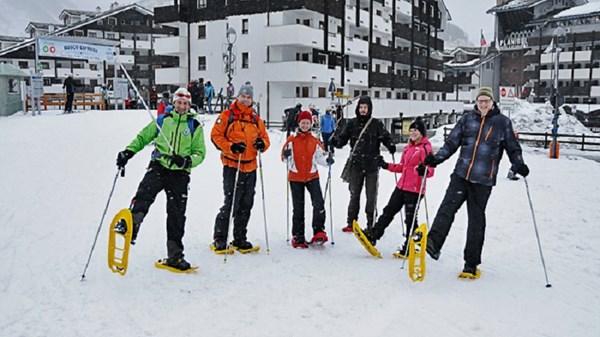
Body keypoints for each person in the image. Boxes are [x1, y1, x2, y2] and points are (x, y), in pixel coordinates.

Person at [423, 87, 530, 278]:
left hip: (483, 181)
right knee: (446, 208)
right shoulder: (467, 119)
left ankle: (471, 263)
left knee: (476, 221)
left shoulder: (502, 123)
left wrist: (518, 164)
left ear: (492, 102)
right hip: (461, 175)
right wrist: (437, 159)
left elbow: (513, 148)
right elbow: (451, 143)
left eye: (486, 101)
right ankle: (433, 244)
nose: (482, 104)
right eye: (480, 101)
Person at [114, 87, 206, 271]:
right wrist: (128, 152)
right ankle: (131, 228)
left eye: (185, 104)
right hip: (159, 166)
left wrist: (186, 161)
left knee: (176, 214)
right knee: (143, 196)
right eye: (179, 103)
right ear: (174, 103)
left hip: (180, 174)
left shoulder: (194, 126)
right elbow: (143, 137)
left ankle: (175, 255)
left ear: (189, 105)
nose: (182, 106)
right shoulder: (163, 120)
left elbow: (200, 153)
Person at [210, 81, 270, 253]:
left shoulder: (256, 119)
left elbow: (265, 139)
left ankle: (240, 237)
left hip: (250, 166)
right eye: (243, 96)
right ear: (238, 97)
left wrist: (262, 144)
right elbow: (215, 136)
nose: (245, 100)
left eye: (248, 97)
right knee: (231, 202)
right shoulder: (227, 115)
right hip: (232, 165)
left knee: (246, 203)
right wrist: (231, 147)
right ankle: (220, 238)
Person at [362, 117, 435, 257]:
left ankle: (410, 245)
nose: (413, 133)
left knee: (410, 218)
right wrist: (386, 165)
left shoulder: (426, 148)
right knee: (389, 211)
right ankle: (373, 235)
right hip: (402, 186)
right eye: (411, 130)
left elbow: (431, 170)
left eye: (416, 130)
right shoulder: (408, 148)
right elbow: (402, 167)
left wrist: (423, 170)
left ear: (421, 132)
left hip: (415, 189)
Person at [331, 95, 395, 231]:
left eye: (365, 107)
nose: (363, 110)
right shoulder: (352, 123)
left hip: (372, 166)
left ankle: (371, 224)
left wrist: (390, 145)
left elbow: (385, 137)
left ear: (370, 109)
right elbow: (342, 139)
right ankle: (351, 222)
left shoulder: (376, 124)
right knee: (354, 194)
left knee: (371, 196)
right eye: (361, 107)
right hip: (356, 165)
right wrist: (335, 142)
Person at [281, 111, 334, 248]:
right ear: (299, 123)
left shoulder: (314, 140)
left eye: (307, 123)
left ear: (311, 124)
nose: (305, 125)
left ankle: (319, 231)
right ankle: (298, 235)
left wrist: (327, 161)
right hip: (296, 176)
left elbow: (319, 158)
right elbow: (284, 157)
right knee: (298, 207)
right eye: (303, 122)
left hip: (312, 176)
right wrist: (286, 155)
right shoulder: (292, 140)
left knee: (318, 203)